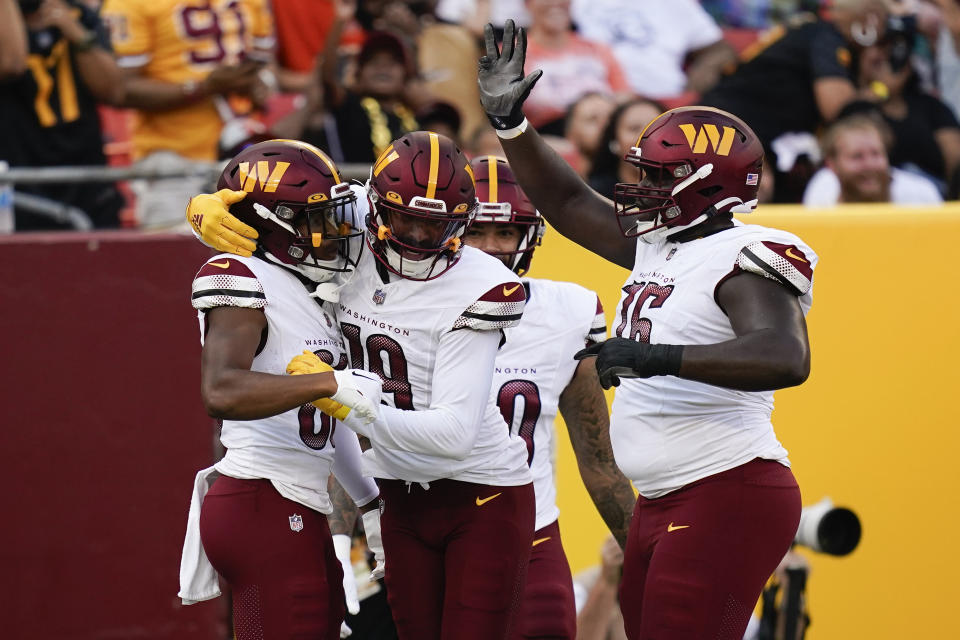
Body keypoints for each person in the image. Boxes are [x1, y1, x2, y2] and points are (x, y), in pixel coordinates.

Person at [479, 21, 815, 639]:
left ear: (707, 186)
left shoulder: (747, 252)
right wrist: (513, 128)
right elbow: (573, 204)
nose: (639, 187)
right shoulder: (664, 245)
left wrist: (656, 356)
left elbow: (784, 355)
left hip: (726, 488)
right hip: (665, 498)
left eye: (659, 178)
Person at [188, 130, 537, 640]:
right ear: (375, 206)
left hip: (474, 483)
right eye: (405, 220)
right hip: (359, 488)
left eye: (435, 225)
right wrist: (201, 211)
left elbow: (455, 435)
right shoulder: (341, 224)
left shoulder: (481, 283)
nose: (417, 239)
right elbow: (270, 206)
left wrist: (352, 413)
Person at [177, 139, 386, 639]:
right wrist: (330, 379)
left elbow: (326, 421)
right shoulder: (242, 275)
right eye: (317, 220)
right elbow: (221, 391)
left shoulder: (304, 288)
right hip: (262, 497)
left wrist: (369, 501)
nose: (335, 233)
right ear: (273, 223)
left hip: (294, 498)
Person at [466, 155, 636, 639]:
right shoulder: (405, 306)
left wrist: (643, 554)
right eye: (477, 231)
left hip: (531, 532)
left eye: (506, 233)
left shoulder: (568, 311)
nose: (492, 249)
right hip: (432, 532)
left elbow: (599, 460)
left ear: (531, 236)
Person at [101, 0, 275, 229]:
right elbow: (117, 89)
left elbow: (264, 62)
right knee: (178, 259)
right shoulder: (131, 4)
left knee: (257, 257)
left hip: (246, 157)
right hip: (173, 159)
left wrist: (259, 83)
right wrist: (202, 88)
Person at [701, 0, 891, 200]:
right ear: (868, 17)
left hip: (740, 129)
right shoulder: (826, 36)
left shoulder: (809, 31)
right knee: (756, 190)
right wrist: (881, 89)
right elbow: (837, 108)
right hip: (729, 132)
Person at [0, 0, 125, 230]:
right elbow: (10, 64)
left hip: (86, 174)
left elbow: (114, 91)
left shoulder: (77, 14)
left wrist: (75, 32)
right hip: (21, 177)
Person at [570, 0, 737, 100]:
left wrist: (692, 94)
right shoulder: (576, 3)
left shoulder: (675, 3)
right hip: (598, 102)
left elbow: (718, 50)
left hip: (666, 102)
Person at [521, 0, 629, 132]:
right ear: (527, 3)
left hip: (605, 135)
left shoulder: (597, 49)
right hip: (545, 139)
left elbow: (624, 97)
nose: (555, 3)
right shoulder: (511, 56)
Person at [803, 112, 942, 205]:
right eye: (857, 156)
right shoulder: (821, 191)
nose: (869, 165)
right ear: (831, 164)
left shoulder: (921, 195)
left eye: (876, 154)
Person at [587, 98, 667, 199]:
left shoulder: (686, 189)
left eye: (656, 127)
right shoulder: (596, 196)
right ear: (615, 142)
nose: (646, 136)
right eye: (634, 128)